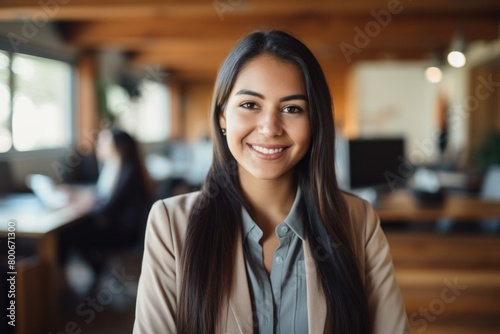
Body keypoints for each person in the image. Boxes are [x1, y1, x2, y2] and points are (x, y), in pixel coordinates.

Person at [133, 30, 410, 333]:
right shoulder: (171, 225)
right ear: (222, 115)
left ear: (315, 122)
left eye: (292, 109)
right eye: (250, 105)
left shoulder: (358, 222)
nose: (269, 128)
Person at [59, 127, 152, 279]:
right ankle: (95, 268)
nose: (99, 145)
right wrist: (79, 196)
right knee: (72, 232)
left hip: (123, 232)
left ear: (117, 146)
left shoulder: (129, 171)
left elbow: (108, 207)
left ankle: (93, 269)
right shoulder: (114, 165)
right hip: (114, 225)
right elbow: (102, 195)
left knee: (67, 235)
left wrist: (81, 207)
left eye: (104, 141)